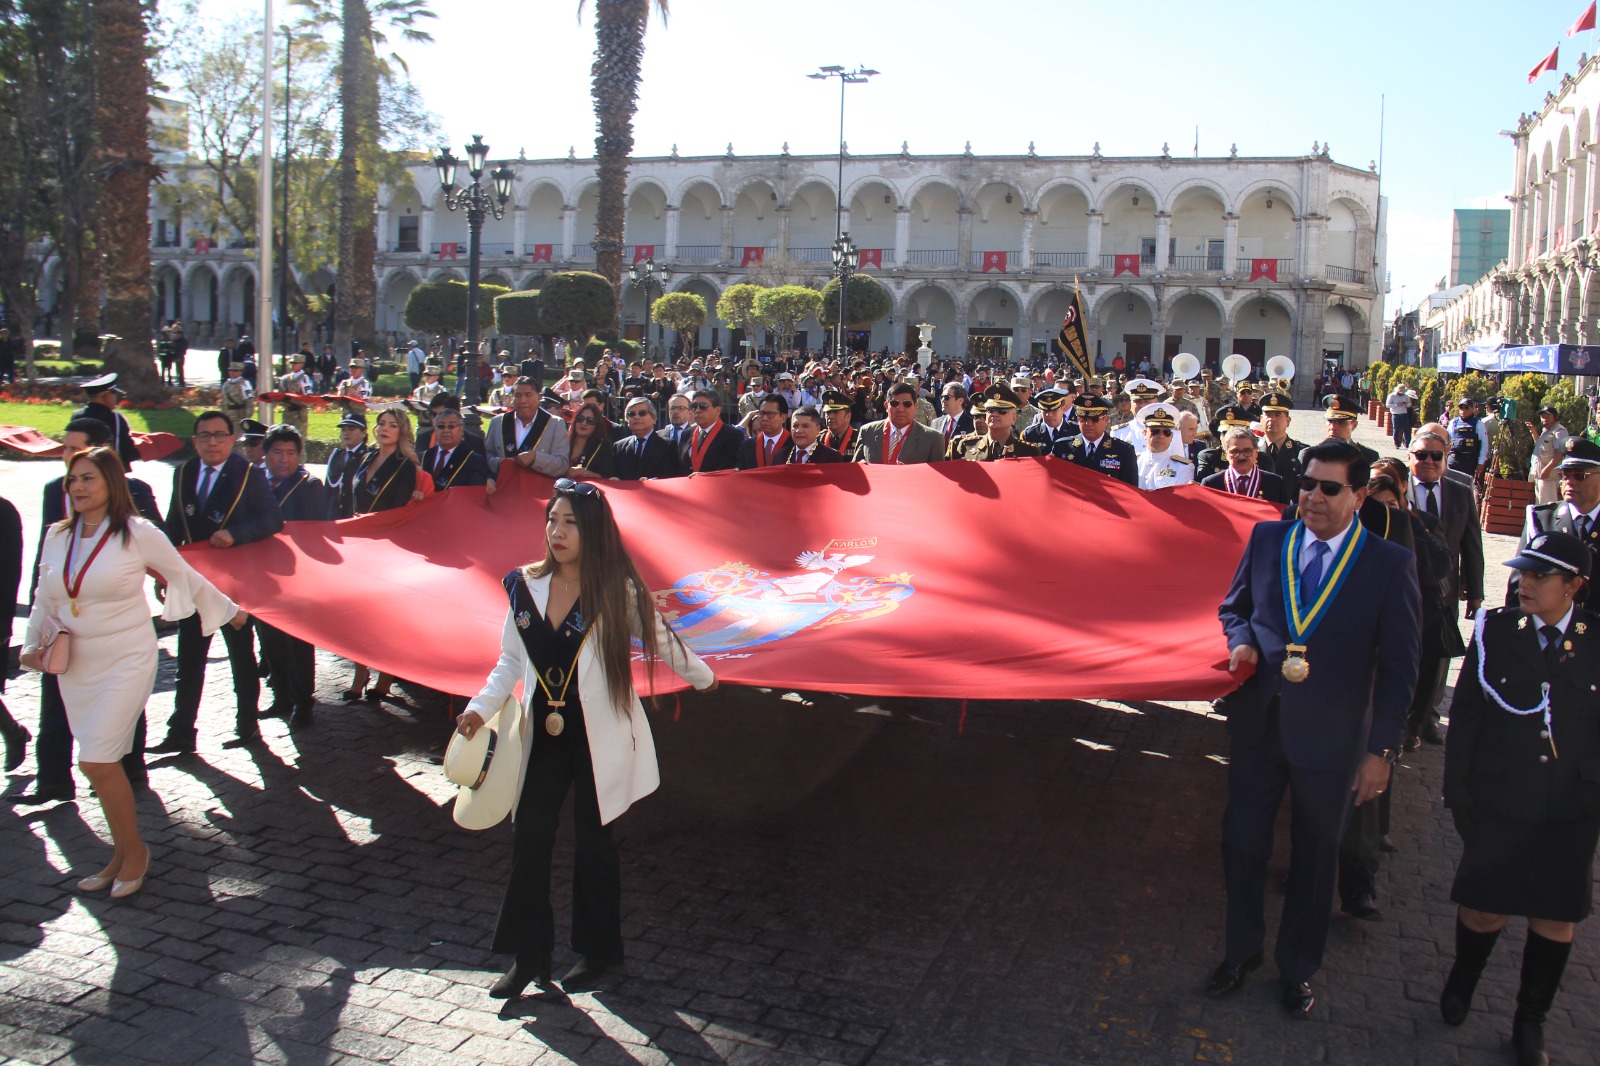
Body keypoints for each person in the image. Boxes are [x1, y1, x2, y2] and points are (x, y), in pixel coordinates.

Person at [456, 479, 718, 997]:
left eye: (571, 522)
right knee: (529, 838)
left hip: (596, 736)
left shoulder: (615, 589)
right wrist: (478, 709)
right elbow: (510, 660)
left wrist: (706, 677)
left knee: (594, 844)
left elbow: (663, 638)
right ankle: (528, 956)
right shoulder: (523, 586)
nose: (557, 531)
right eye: (552, 520)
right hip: (543, 734)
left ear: (593, 531)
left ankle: (597, 952)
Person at [1209, 439, 1420, 1018]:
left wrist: (1382, 750)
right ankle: (1241, 954)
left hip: (1332, 740)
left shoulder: (1388, 564)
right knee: (1241, 845)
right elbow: (1234, 607)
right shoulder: (1267, 538)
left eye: (1330, 488)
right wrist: (1242, 639)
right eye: (1306, 484)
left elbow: (1403, 668)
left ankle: (1298, 967)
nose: (1313, 497)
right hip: (1261, 726)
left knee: (1315, 856)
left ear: (1357, 496)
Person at [26, 448, 248, 899]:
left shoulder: (136, 533)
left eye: (89, 478)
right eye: (73, 479)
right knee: (98, 765)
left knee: (96, 760)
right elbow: (44, 597)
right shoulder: (57, 535)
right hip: (76, 665)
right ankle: (121, 853)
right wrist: (31, 645)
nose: (79, 487)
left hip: (126, 659)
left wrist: (230, 613)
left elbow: (182, 573)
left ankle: (135, 853)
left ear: (112, 483)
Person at [1440, 531, 1600, 1066]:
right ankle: (1464, 976)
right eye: (1522, 572)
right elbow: (1465, 717)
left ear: (1574, 584)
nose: (1523, 583)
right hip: (1500, 798)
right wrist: (1457, 791)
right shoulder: (1496, 630)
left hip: (1569, 807)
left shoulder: (1595, 639)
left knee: (1554, 919)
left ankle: (1531, 1019)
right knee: (1485, 910)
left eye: (1539, 575)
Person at [149, 412, 283, 753]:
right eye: (204, 436)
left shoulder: (248, 474)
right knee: (189, 659)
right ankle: (180, 731)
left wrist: (235, 534)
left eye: (219, 435)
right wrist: (165, 573)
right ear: (194, 441)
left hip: (234, 584)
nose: (211, 441)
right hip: (194, 581)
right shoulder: (184, 472)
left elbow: (272, 520)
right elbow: (174, 526)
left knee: (241, 655)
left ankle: (247, 724)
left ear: (231, 439)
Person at [345, 409, 423, 702]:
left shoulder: (404, 466)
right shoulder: (365, 457)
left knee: (383, 615)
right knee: (356, 615)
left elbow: (398, 511)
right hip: (357, 544)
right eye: (381, 424)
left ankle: (385, 675)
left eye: (393, 425)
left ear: (402, 431)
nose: (385, 429)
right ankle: (359, 671)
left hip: (386, 547)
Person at [257, 425, 328, 731]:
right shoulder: (255, 482)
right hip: (261, 575)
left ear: (299, 456)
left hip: (297, 575)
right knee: (270, 639)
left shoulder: (309, 485)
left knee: (298, 642)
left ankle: (303, 701)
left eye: (290, 453)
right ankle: (281, 696)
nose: (283, 460)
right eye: (277, 452)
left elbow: (317, 532)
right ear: (266, 453)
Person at [1512, 436, 1600, 609]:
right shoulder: (1541, 520)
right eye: (1564, 475)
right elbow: (1518, 586)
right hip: (1549, 630)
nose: (1569, 482)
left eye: (1580, 475)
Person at [485, 380, 572, 493]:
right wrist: (499, 463)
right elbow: (486, 456)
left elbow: (562, 464)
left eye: (528, 395)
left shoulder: (555, 424)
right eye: (518, 395)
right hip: (502, 492)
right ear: (512, 398)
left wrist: (535, 458)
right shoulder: (498, 422)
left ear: (539, 397)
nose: (523, 400)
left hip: (537, 494)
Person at [857, 382, 946, 464]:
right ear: (886, 406)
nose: (900, 409)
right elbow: (854, 470)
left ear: (916, 406)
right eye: (894, 403)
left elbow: (936, 479)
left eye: (907, 404)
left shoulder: (933, 438)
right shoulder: (867, 431)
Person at [1061, 394, 1138, 485]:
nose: (1088, 423)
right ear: (1078, 420)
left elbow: (1130, 491)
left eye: (1095, 419)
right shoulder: (1062, 447)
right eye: (1083, 419)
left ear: (1106, 420)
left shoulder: (1123, 451)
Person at [1200, 427, 1290, 504]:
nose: (1241, 456)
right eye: (1235, 451)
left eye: (1247, 451)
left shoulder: (1276, 483)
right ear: (1226, 453)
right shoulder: (1210, 484)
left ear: (1256, 452)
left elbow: (1284, 520)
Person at [72, 373, 140, 470]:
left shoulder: (76, 416)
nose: (116, 398)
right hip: (111, 473)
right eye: (114, 394)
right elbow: (127, 451)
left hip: (82, 470)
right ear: (106, 396)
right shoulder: (115, 418)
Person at [612, 397, 681, 479]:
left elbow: (671, 476)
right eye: (632, 414)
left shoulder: (667, 446)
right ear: (627, 420)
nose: (636, 417)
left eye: (642, 413)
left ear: (654, 419)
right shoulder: (619, 447)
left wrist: (652, 481)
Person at [422, 408, 491, 489]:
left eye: (451, 426)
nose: (446, 430)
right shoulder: (425, 456)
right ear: (435, 430)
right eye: (441, 426)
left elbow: (475, 494)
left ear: (461, 431)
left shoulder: (474, 460)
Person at [678, 388, 744, 473]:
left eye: (703, 406)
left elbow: (727, 469)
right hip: (688, 485)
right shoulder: (686, 434)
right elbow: (680, 467)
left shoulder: (732, 435)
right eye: (694, 406)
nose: (697, 410)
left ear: (717, 410)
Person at [1135, 404, 1194, 490]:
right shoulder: (1134, 461)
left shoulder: (1183, 467)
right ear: (1144, 433)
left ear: (1171, 436)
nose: (1161, 436)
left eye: (1166, 432)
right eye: (1155, 431)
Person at [326, 413, 371, 520]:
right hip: (335, 517)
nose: (346, 433)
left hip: (356, 516)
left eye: (351, 429)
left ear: (364, 433)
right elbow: (328, 490)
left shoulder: (369, 456)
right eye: (343, 430)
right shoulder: (337, 455)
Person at [737, 394, 795, 469]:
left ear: (783, 418)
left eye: (771, 414)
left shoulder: (794, 445)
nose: (764, 418)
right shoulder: (747, 446)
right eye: (761, 414)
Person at [1529, 405, 1570, 506]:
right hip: (1540, 474)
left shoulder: (1559, 431)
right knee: (1540, 504)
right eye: (1543, 417)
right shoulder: (1546, 430)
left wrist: (1547, 469)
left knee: (1547, 505)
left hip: (1549, 476)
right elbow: (1540, 446)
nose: (1544, 419)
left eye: (1548, 417)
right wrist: (1533, 431)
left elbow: (1561, 452)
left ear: (1555, 418)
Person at [565, 400, 616, 478]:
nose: (584, 423)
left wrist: (583, 472)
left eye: (590, 421)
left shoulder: (603, 447)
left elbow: (606, 477)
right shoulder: (563, 441)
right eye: (580, 418)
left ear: (597, 425)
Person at [1448, 397, 1491, 483]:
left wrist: (1481, 462)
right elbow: (1447, 440)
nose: (1463, 410)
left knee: (1465, 487)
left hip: (1469, 461)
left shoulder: (1478, 424)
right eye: (1461, 407)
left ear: (1472, 409)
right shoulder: (1453, 422)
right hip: (1453, 459)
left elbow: (1484, 444)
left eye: (1466, 407)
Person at [275, 352, 315, 440]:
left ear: (302, 364)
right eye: (291, 363)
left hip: (299, 413)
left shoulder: (304, 379)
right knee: (286, 439)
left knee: (299, 441)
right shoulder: (285, 379)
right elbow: (279, 395)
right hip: (288, 413)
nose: (292, 365)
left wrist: (295, 400)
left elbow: (308, 398)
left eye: (295, 363)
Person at [220, 361, 255, 427]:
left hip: (239, 416)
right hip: (227, 416)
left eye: (235, 371)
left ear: (241, 372)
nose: (232, 372)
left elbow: (249, 402)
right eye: (230, 370)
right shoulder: (226, 384)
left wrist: (246, 419)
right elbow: (223, 402)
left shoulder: (244, 384)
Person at [1385, 380, 1414, 449]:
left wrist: (1406, 404)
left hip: (1404, 414)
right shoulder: (1392, 396)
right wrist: (1396, 405)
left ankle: (1407, 444)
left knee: (1406, 429)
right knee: (1396, 429)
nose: (1401, 394)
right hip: (1396, 414)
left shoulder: (1406, 396)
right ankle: (1397, 444)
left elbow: (1409, 405)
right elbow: (1387, 405)